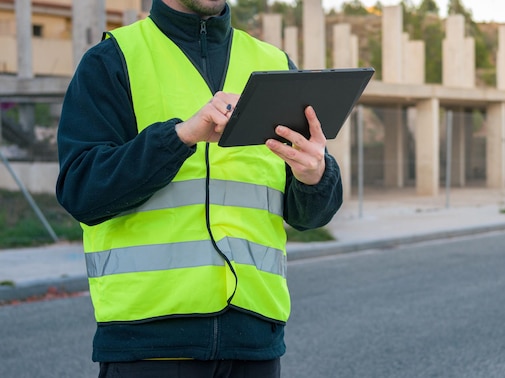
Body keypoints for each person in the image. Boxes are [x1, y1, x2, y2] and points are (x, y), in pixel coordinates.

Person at [55, 0, 343, 376]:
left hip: (254, 342)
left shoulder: (273, 64)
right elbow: (81, 189)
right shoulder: (113, 59)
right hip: (148, 345)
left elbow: (309, 216)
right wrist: (179, 138)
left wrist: (315, 176)